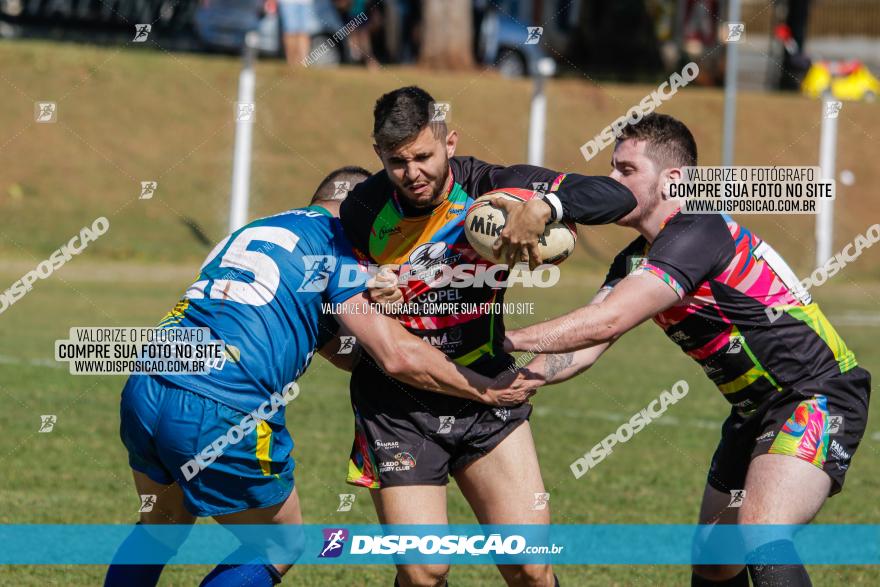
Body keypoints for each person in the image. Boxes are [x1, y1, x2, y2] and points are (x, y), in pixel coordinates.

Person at [104, 166, 540, 587]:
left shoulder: (255, 230)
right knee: (279, 544)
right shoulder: (337, 242)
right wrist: (481, 388)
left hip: (148, 380)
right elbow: (396, 356)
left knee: (160, 526)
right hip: (223, 403)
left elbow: (332, 345)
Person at [496, 113, 872, 587]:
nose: (611, 181)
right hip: (753, 410)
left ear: (673, 180)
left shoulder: (700, 230)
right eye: (611, 168)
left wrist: (499, 337)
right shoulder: (635, 257)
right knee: (716, 561)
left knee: (761, 531)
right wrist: (503, 381)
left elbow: (606, 320)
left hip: (817, 395)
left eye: (627, 171)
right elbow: (586, 345)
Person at [338, 85, 637, 587]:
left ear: (449, 142)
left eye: (424, 157)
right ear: (378, 156)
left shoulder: (497, 186)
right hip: (398, 405)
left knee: (530, 567)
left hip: (486, 384)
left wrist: (548, 207)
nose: (413, 173)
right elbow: (355, 306)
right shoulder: (362, 211)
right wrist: (379, 288)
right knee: (423, 569)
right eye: (397, 161)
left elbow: (617, 196)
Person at [278, 0, 317, 66]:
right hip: (288, 2)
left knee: (304, 33)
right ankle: (292, 63)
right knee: (290, 32)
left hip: (306, 2)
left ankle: (303, 64)